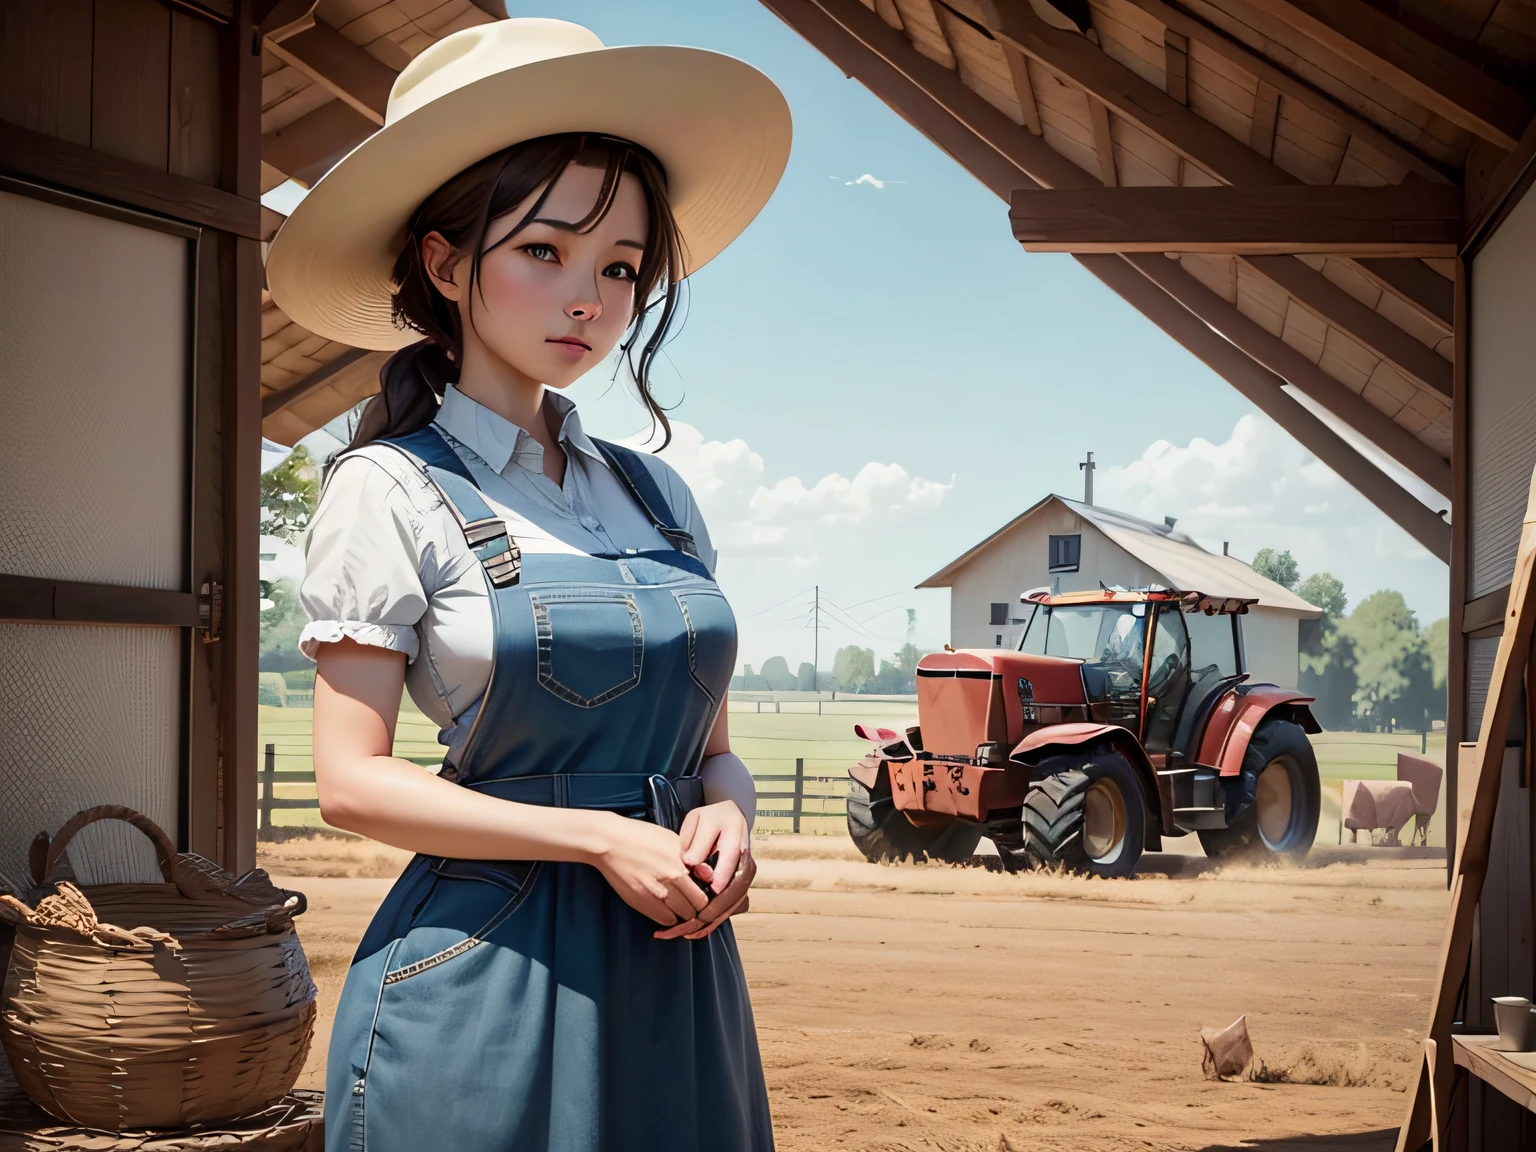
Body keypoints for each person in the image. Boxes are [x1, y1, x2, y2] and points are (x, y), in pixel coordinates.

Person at [264, 18, 791, 1152]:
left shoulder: (656, 496)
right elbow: (351, 786)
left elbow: (710, 747)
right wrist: (602, 840)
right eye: (543, 253)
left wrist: (729, 816)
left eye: (618, 267)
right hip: (481, 973)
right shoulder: (388, 488)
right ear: (448, 265)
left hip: (680, 974)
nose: (589, 300)